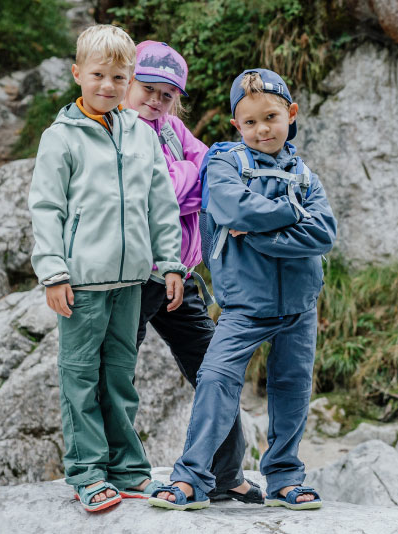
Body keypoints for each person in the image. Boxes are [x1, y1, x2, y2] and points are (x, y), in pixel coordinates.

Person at [148, 68, 337, 511]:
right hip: (243, 307)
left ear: (291, 113)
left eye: (271, 117)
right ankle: (192, 478)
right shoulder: (223, 162)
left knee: (291, 387)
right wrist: (292, 215)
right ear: (237, 124)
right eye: (249, 122)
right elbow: (232, 206)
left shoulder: (305, 175)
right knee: (215, 378)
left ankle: (285, 478)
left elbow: (323, 233)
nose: (261, 129)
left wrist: (254, 233)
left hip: (299, 306)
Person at [28, 24, 186, 512]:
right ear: (78, 73)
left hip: (133, 281)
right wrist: (53, 272)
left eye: (120, 77)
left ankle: (128, 468)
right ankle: (87, 471)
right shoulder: (61, 138)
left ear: (130, 78)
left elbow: (161, 206)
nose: (108, 86)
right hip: (80, 283)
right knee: (81, 376)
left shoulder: (141, 134)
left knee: (120, 375)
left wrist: (172, 264)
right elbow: (46, 208)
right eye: (98, 74)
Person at [123, 41, 263, 504]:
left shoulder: (171, 127)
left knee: (213, 368)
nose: (156, 100)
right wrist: (191, 181)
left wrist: (190, 178)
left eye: (167, 94)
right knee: (118, 369)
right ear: (127, 82)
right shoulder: (121, 131)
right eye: (148, 88)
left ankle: (226, 473)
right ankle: (120, 469)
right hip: (137, 274)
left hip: (179, 274)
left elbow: (213, 169)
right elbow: (155, 191)